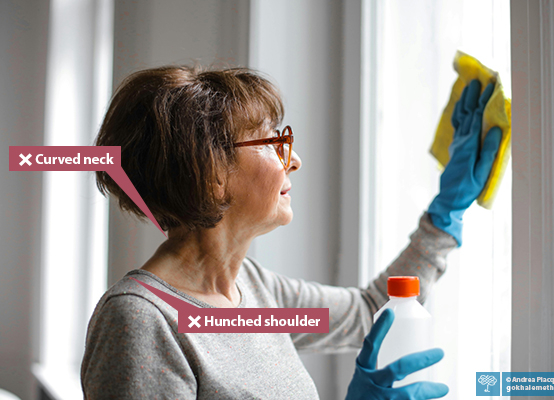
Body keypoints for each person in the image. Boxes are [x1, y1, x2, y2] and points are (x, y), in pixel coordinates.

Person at [80, 65, 501, 399]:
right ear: (210, 173)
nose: (294, 159)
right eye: (270, 141)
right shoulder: (141, 321)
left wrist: (445, 213)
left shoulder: (254, 289)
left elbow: (368, 312)